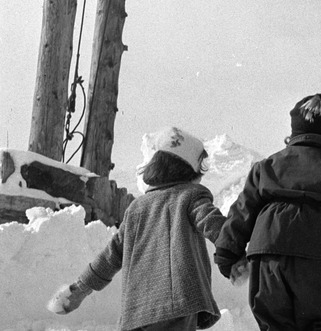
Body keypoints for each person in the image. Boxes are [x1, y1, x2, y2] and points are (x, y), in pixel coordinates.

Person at [214, 93, 321, 331]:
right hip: (315, 259)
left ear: (292, 134)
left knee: (275, 324)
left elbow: (242, 211)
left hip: (267, 259)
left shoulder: (266, 167)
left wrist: (227, 254)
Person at [46, 127, 227, 330]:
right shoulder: (191, 195)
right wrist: (240, 250)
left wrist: (80, 288)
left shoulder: (136, 208)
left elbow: (111, 255)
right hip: (178, 306)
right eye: (200, 169)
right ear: (188, 170)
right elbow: (214, 225)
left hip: (138, 313)